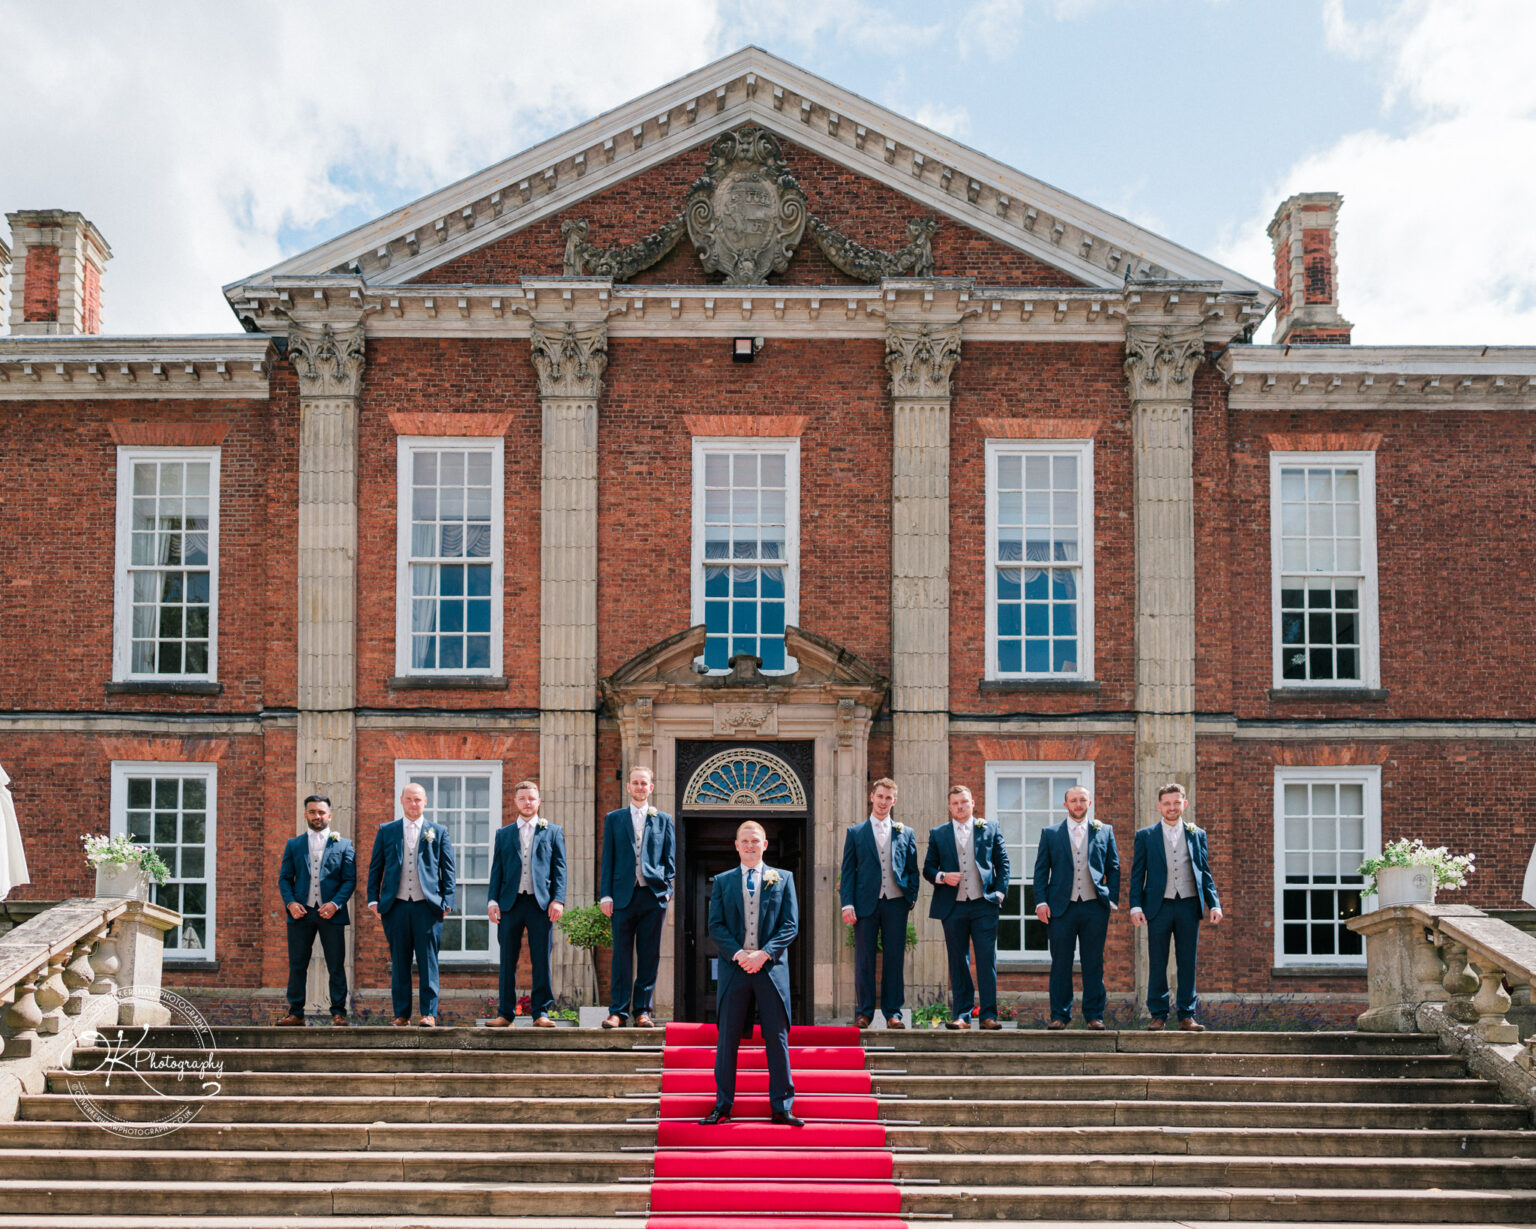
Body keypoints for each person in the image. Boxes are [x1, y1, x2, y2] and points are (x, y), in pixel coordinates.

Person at [698, 820, 802, 1127]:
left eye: (755, 840)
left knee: (777, 1038)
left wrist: (764, 953)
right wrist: (741, 954)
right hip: (735, 969)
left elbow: (790, 925)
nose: (750, 845)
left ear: (765, 844)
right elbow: (715, 925)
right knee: (727, 1038)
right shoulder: (723, 881)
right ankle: (722, 1105)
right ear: (736, 845)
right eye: (744, 841)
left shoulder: (783, 878)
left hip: (771, 969)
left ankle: (782, 1107)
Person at [1129, 783, 1222, 1032]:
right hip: (1158, 906)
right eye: (1167, 803)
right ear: (1159, 806)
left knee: (1187, 961)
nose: (1172, 807)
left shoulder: (1196, 834)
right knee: (1157, 961)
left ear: (1184, 804)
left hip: (1189, 904)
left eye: (1176, 802)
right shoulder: (1146, 836)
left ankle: (1186, 1015)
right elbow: (1137, 874)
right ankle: (1158, 1015)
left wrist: (1214, 903)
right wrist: (1135, 906)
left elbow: (1204, 872)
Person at [367, 782, 456, 1027]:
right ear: (401, 800)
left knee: (428, 961)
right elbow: (376, 867)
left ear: (425, 801)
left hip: (427, 906)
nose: (413, 804)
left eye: (418, 799)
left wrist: (447, 901)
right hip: (395, 906)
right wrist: (373, 900)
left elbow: (448, 869)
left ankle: (429, 1014)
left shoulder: (438, 831)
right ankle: (402, 1015)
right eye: (409, 799)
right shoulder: (387, 830)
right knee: (399, 961)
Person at [923, 784, 1009, 1030]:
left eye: (964, 802)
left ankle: (988, 1016)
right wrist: (942, 877)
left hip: (984, 904)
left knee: (986, 960)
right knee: (958, 961)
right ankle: (962, 1015)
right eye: (955, 803)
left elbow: (1002, 862)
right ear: (950, 807)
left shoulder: (989, 828)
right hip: (953, 907)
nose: (960, 807)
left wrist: (1000, 893)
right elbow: (928, 868)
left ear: (973, 803)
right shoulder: (939, 833)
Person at [1032, 784, 1119, 1030]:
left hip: (1094, 907)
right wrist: (1041, 901)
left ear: (1089, 803)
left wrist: (1110, 899)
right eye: (1073, 800)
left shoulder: (1104, 831)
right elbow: (1040, 871)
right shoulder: (1050, 833)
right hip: (1061, 908)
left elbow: (1114, 867)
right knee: (1060, 962)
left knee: (1094, 962)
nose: (1078, 804)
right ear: (1066, 804)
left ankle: (1094, 1016)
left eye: (1082, 800)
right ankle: (1060, 1015)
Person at [599, 765, 675, 1029]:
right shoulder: (614, 819)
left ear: (651, 788)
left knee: (649, 955)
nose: (640, 787)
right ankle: (617, 1012)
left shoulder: (663, 820)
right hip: (622, 896)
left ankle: (642, 1011)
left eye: (645, 783)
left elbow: (669, 861)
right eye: (636, 783)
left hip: (652, 896)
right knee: (620, 955)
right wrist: (605, 895)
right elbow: (607, 859)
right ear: (628, 787)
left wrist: (667, 891)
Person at [487, 780, 567, 1028]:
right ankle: (505, 1014)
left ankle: (541, 1012)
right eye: (523, 799)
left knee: (541, 958)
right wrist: (492, 900)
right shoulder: (503, 834)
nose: (527, 802)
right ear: (516, 802)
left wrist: (558, 899)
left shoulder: (552, 831)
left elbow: (560, 868)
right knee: (507, 959)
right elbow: (497, 871)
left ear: (539, 801)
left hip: (540, 904)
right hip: (510, 903)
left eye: (532, 798)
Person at [840, 777, 918, 1028]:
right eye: (880, 796)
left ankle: (893, 1013)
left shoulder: (906, 832)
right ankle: (864, 1012)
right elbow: (848, 870)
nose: (883, 802)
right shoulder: (856, 832)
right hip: (865, 903)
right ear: (872, 797)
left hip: (896, 902)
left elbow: (911, 869)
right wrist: (847, 904)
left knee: (894, 958)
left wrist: (910, 897)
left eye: (889, 798)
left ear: (894, 801)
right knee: (864, 958)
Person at [276, 794, 356, 1026]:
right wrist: (291, 903)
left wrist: (335, 904)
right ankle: (296, 1013)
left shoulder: (344, 845)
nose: (317, 816)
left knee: (336, 965)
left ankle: (339, 1013)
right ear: (305, 815)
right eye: (312, 812)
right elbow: (284, 879)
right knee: (297, 964)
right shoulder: (294, 844)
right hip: (301, 913)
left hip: (332, 913)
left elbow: (349, 880)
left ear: (329, 815)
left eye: (321, 812)